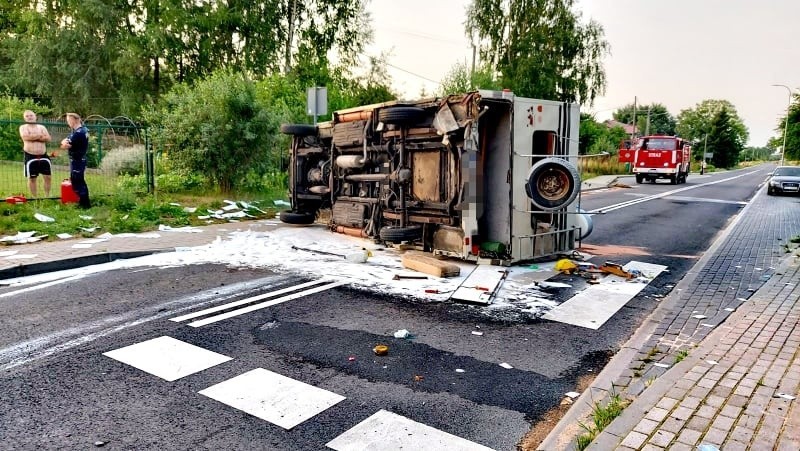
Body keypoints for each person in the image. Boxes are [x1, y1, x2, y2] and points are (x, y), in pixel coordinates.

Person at [19, 110, 53, 198]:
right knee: (32, 178)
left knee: (48, 177)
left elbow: (48, 138)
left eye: (31, 115)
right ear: (24, 118)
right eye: (27, 116)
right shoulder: (23, 127)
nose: (29, 117)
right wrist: (40, 136)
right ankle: (34, 198)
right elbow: (25, 137)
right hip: (30, 155)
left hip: (43, 155)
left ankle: (47, 197)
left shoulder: (41, 127)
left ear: (35, 116)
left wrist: (33, 136)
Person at [60, 113, 91, 208]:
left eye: (69, 121)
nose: (68, 123)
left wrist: (63, 143)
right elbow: (65, 140)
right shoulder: (81, 130)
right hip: (78, 159)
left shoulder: (78, 133)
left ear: (75, 120)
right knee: (78, 180)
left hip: (77, 160)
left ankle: (84, 204)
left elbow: (65, 145)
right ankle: (84, 202)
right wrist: (64, 142)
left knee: (77, 182)